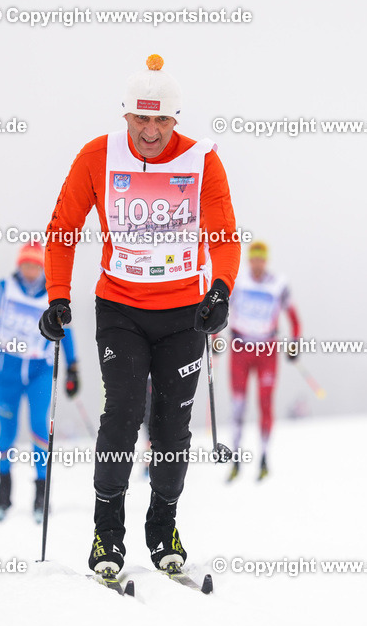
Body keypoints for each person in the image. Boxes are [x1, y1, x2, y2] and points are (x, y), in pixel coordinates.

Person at [37, 55, 240, 577]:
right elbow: (63, 227)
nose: (150, 132)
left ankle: (163, 526)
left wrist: (220, 289)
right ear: (125, 116)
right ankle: (107, 535)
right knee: (124, 413)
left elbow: (224, 234)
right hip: (121, 310)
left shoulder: (201, 162)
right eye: (140, 119)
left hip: (183, 316)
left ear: (176, 120)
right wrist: (58, 295)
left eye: (162, 121)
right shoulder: (96, 157)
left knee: (172, 429)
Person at [0, 242, 79, 523]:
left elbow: (67, 334)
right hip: (6, 372)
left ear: (42, 267)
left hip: (39, 369)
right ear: (19, 265)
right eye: (26, 265)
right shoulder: (2, 290)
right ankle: (4, 492)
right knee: (6, 433)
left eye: (36, 266)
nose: (30, 271)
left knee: (39, 429)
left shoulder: (52, 295)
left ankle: (40, 496)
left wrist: (73, 368)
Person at [224, 241, 300, 482]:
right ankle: (236, 459)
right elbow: (221, 309)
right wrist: (215, 337)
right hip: (240, 349)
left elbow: (294, 318)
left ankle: (264, 458)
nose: (257, 264)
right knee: (238, 405)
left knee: (265, 403)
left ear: (265, 260)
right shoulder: (238, 282)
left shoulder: (278, 285)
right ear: (249, 260)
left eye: (261, 259)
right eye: (254, 259)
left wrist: (295, 342)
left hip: (267, 350)